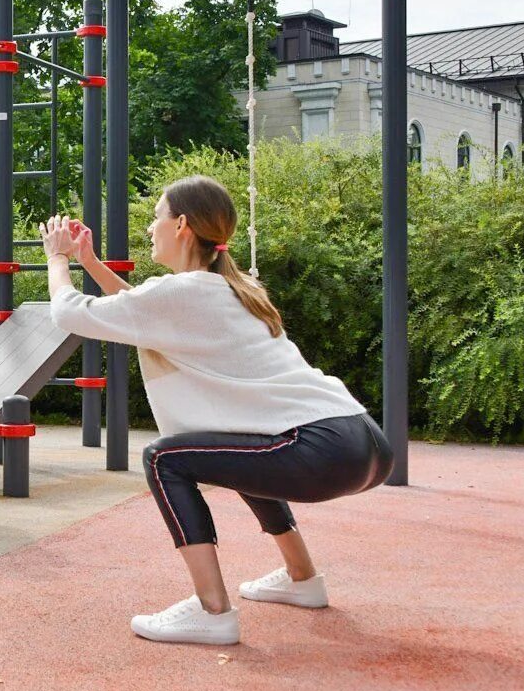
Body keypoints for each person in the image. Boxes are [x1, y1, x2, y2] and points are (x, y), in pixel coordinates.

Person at [39, 175, 392, 646]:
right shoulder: (231, 288)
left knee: (164, 458)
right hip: (361, 441)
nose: (150, 228)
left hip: (320, 449)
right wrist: (91, 262)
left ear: (182, 224)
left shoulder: (183, 292)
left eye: (157, 216)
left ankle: (212, 611)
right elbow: (142, 313)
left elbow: (69, 313)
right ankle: (302, 578)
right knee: (242, 443)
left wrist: (57, 257)